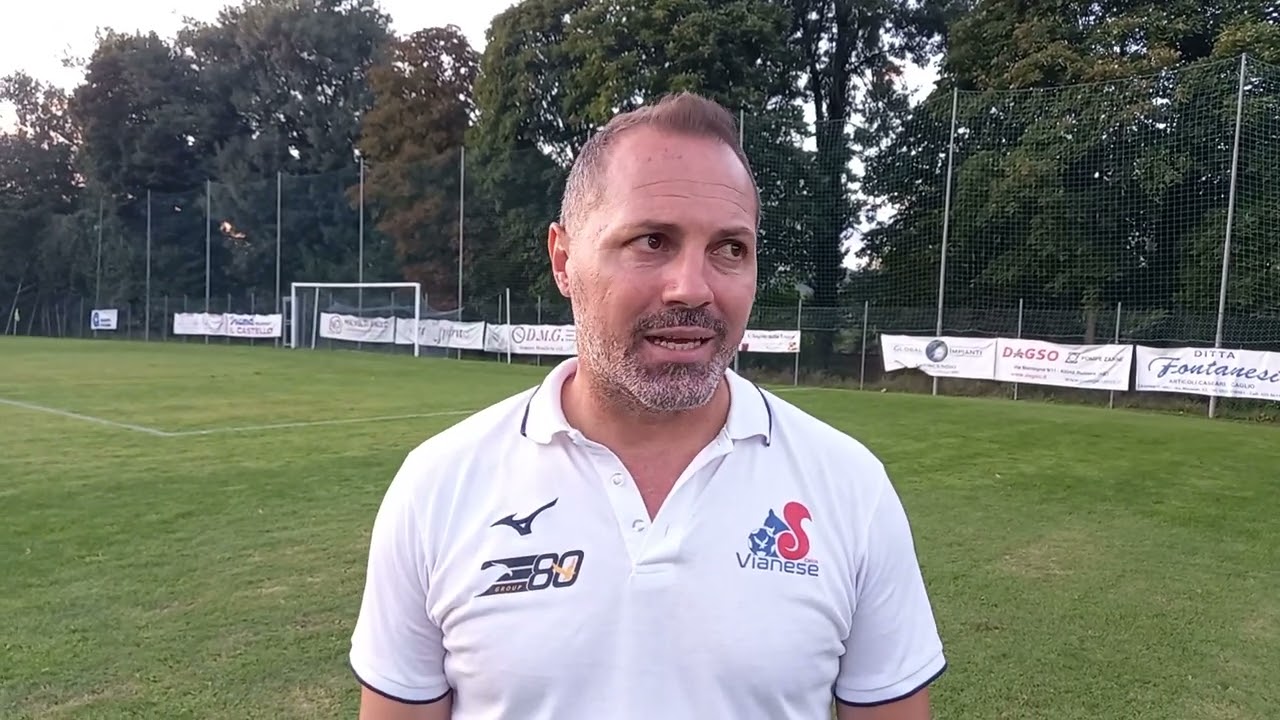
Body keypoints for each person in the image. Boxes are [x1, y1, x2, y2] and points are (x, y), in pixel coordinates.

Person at [348, 92, 946, 720]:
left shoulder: (849, 486)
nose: (692, 288)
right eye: (652, 240)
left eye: (730, 249)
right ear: (563, 260)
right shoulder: (438, 485)